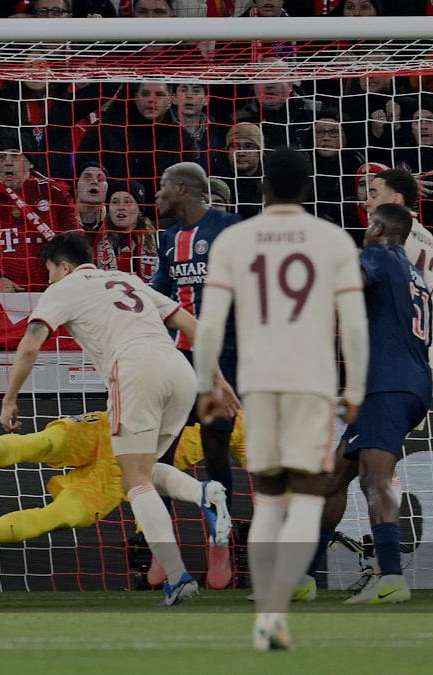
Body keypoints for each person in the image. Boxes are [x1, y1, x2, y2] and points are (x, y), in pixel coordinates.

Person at [0, 232, 237, 606]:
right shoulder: (127, 279)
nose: (48, 279)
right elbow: (192, 325)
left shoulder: (65, 288)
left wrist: (10, 398)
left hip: (135, 370)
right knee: (147, 469)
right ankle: (204, 493)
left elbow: (31, 344)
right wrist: (217, 380)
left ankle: (178, 577)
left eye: (49, 271)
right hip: (180, 371)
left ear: (64, 266)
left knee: (133, 479)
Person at [192, 147, 368, 651]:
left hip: (259, 382)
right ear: (307, 188)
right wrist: (355, 388)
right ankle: (280, 608)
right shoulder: (332, 239)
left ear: (261, 187)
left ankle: (266, 610)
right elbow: (354, 325)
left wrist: (206, 385)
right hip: (312, 382)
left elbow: (209, 322)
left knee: (268, 499)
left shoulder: (235, 239)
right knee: (308, 497)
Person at [308, 203, 433, 608]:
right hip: (408, 381)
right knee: (334, 477)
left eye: (367, 226)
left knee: (374, 479)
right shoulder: (412, 271)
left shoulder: (378, 254)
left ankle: (391, 576)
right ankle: (303, 578)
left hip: (388, 383)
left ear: (378, 229)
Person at [0, 410, 246, 555]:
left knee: (45, 455)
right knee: (47, 457)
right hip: (120, 448)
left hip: (119, 456)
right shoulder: (239, 416)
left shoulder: (241, 420)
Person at [152, 162, 242, 573]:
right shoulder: (169, 238)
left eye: (162, 188)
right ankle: (162, 544)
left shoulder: (230, 228)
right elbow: (161, 291)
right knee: (162, 449)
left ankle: (221, 539)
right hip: (179, 358)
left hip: (224, 357)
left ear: (183, 190)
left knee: (215, 449)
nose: (157, 196)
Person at [363, 168, 433, 393]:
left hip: (396, 357)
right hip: (427, 355)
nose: (366, 202)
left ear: (395, 199)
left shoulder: (388, 236)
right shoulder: (432, 242)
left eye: (373, 195)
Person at [0, 144, 79, 292]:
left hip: (53, 290)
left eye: (15, 156)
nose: (7, 162)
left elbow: (74, 241)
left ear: (30, 163)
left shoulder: (55, 193)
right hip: (0, 293)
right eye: (1, 157)